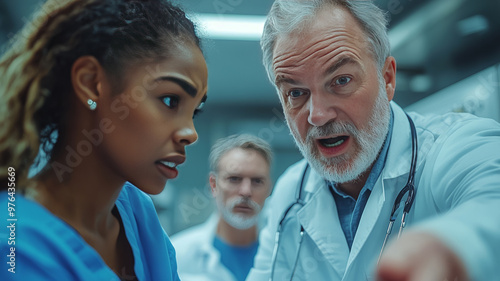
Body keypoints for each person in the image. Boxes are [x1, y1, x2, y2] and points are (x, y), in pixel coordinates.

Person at [246, 0, 500, 280]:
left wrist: (450, 246)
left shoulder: (455, 145)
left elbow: (492, 202)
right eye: (295, 93)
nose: (317, 115)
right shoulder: (290, 192)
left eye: (341, 80)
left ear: (387, 79)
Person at [0, 0, 207, 280]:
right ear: (90, 82)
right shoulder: (15, 244)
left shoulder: (138, 213)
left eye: (195, 111)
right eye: (170, 100)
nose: (190, 134)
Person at [172, 134, 273, 281]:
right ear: (213, 185)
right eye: (234, 179)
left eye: (257, 181)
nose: (246, 191)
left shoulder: (287, 254)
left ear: (269, 189)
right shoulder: (177, 256)